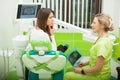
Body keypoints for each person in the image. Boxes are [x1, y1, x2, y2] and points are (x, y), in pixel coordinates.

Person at [64, 13, 114, 80]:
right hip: (94, 69)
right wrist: (85, 63)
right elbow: (97, 59)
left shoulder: (103, 44)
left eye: (94, 23)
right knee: (69, 69)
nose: (91, 25)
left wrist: (81, 71)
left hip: (99, 76)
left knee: (67, 76)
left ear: (102, 25)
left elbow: (98, 68)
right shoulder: (101, 38)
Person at [25, 8, 68, 80]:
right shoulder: (44, 35)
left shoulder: (33, 31)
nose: (53, 20)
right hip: (47, 63)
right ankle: (64, 48)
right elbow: (54, 51)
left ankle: (63, 47)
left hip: (35, 64)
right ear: (44, 19)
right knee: (60, 64)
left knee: (61, 48)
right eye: (50, 17)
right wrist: (52, 35)